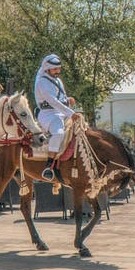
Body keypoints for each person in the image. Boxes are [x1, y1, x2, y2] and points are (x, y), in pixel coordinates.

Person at [33, 53, 78, 183]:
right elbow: (53, 102)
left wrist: (67, 100)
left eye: (59, 69)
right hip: (49, 114)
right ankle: (49, 165)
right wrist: (71, 113)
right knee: (58, 134)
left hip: (62, 112)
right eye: (55, 69)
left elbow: (60, 99)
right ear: (47, 68)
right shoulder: (42, 82)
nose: (58, 71)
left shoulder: (57, 80)